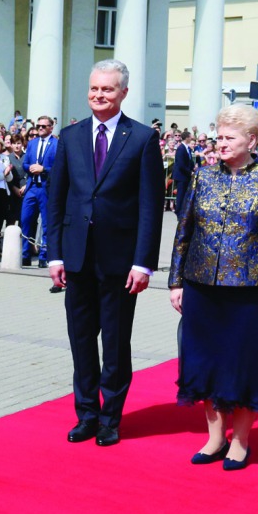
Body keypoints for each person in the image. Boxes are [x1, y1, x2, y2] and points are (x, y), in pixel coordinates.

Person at [169, 105, 258, 471]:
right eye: (218, 137)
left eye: (229, 138)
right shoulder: (202, 177)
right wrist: (176, 281)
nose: (220, 143)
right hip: (202, 287)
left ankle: (240, 441)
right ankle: (214, 438)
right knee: (205, 363)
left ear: (252, 140)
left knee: (244, 366)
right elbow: (184, 232)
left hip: (250, 293)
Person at [47, 59, 164, 448]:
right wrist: (55, 255)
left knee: (114, 343)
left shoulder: (143, 139)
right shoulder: (70, 136)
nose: (99, 95)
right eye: (94, 89)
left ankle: (111, 418)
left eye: (108, 90)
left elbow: (150, 205)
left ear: (124, 93)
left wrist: (143, 262)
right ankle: (86, 415)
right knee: (81, 341)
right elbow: (57, 199)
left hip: (119, 262)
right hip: (77, 258)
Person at [20, 115, 56, 267]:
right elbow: (25, 164)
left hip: (46, 188)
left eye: (43, 126)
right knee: (26, 220)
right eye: (38, 126)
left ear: (51, 127)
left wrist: (44, 169)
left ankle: (44, 255)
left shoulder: (57, 144)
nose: (40, 128)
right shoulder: (32, 143)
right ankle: (25, 254)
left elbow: (60, 167)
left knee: (47, 223)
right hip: (32, 187)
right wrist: (30, 168)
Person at [172, 130, 194, 215]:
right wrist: (189, 172)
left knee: (185, 194)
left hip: (185, 175)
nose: (191, 138)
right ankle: (179, 212)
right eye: (190, 136)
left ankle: (183, 210)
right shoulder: (181, 148)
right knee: (181, 194)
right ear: (187, 137)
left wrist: (193, 167)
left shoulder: (187, 148)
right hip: (181, 176)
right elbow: (181, 164)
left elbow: (189, 160)